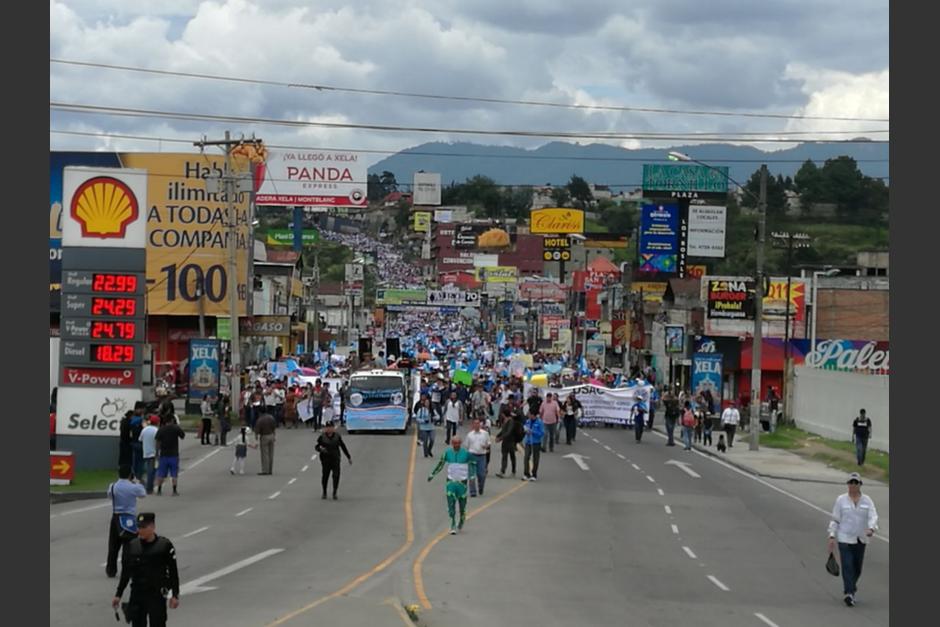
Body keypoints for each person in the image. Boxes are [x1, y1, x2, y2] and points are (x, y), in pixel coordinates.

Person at [112, 512, 180, 626]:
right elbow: (126, 572)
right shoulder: (133, 546)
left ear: (152, 527)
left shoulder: (164, 546)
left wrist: (175, 595)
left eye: (144, 527)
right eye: (138, 527)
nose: (140, 530)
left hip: (156, 594)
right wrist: (118, 594)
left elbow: (173, 571)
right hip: (137, 594)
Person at [827, 472, 879, 607]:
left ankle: (851, 588)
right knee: (847, 565)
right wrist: (832, 536)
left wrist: (871, 528)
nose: (853, 485)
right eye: (850, 482)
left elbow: (873, 516)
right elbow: (835, 519)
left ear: (860, 485)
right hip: (845, 538)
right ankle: (849, 593)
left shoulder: (867, 500)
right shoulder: (841, 500)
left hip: (861, 539)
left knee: (857, 568)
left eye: (856, 483)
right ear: (847, 484)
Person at [427, 436, 477, 534]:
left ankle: (462, 519)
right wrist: (433, 474)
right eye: (454, 443)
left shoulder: (466, 454)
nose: (456, 445)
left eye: (458, 443)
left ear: (461, 443)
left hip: (462, 483)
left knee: (462, 506)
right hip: (451, 482)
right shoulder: (447, 453)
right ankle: (453, 523)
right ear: (451, 443)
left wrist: (472, 476)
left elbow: (473, 463)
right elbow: (440, 464)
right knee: (451, 503)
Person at [105, 466, 147, 578]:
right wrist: (136, 482)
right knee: (129, 545)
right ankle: (127, 568)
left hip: (115, 516)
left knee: (113, 545)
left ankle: (111, 569)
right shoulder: (133, 487)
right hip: (128, 517)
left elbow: (109, 496)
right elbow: (143, 494)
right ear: (130, 475)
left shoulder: (113, 486)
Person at [316, 421, 353, 500]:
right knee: (325, 476)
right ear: (326, 428)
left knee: (336, 475)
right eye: (328, 427)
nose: (329, 429)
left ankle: (334, 491)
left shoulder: (337, 436)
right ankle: (324, 491)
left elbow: (343, 446)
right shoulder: (322, 437)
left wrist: (348, 457)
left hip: (335, 458)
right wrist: (320, 449)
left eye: (331, 427)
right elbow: (317, 447)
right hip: (325, 459)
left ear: (333, 428)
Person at [154, 417, 185, 496]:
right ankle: (174, 490)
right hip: (174, 454)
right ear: (172, 420)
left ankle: (159, 490)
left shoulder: (161, 429)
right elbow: (182, 436)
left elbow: (157, 441)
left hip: (163, 454)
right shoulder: (175, 428)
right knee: (174, 473)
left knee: (161, 473)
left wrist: (157, 452)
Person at [465, 418, 491, 497]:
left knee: (482, 475)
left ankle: (481, 487)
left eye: (478, 423)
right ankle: (473, 491)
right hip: (472, 455)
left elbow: (489, 443)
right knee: (472, 475)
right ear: (473, 425)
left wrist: (486, 446)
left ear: (480, 424)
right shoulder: (470, 435)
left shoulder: (485, 434)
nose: (476, 425)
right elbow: (467, 446)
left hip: (482, 456)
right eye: (475, 423)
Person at [522, 407, 544, 481]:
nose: (528, 415)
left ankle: (534, 474)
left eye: (529, 414)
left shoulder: (540, 422)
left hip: (536, 442)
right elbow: (524, 428)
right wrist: (525, 431)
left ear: (533, 415)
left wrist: (533, 432)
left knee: (535, 459)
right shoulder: (528, 421)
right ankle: (526, 473)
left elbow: (542, 433)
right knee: (526, 457)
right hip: (528, 441)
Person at [494, 408, 518, 477]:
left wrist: (500, 438)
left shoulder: (511, 421)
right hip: (505, 442)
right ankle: (502, 471)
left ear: (504, 414)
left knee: (512, 456)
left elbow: (509, 432)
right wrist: (498, 435)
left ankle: (513, 470)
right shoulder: (505, 421)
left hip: (511, 441)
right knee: (504, 456)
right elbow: (503, 430)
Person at [139, 416, 159, 494]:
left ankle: (147, 485)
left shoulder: (144, 429)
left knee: (148, 470)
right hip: (153, 453)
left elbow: (140, 439)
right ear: (157, 422)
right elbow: (158, 442)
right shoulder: (156, 430)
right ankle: (149, 488)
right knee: (152, 471)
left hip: (146, 452)